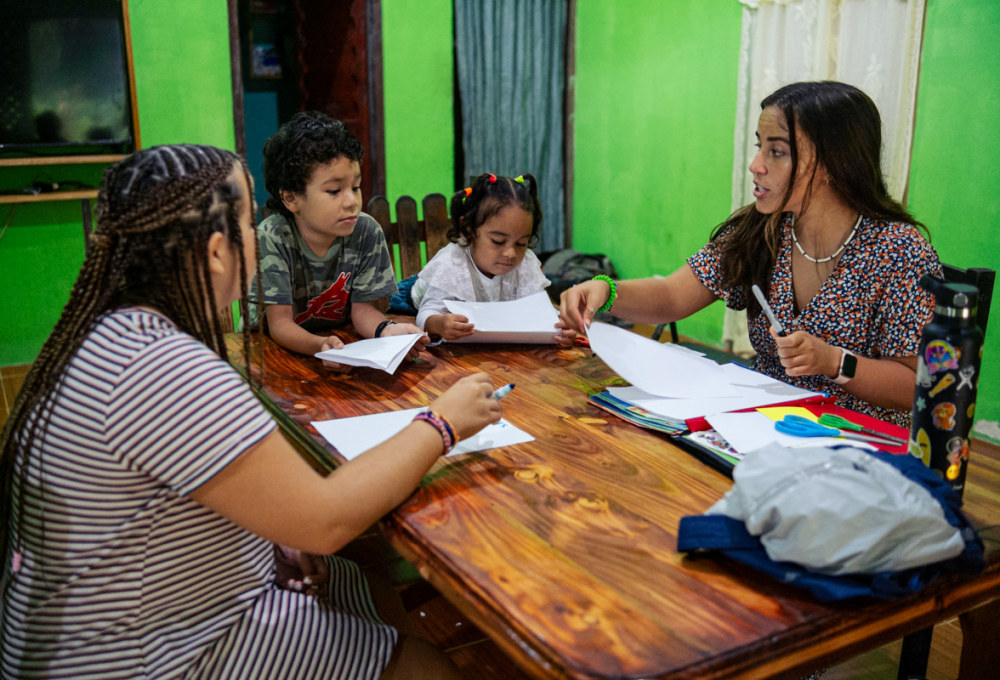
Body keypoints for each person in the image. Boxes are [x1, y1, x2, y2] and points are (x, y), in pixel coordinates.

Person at [0, 144, 501, 679]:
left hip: (118, 615)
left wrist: (273, 540)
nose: (256, 238)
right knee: (426, 665)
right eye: (246, 224)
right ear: (218, 250)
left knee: (363, 581)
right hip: (146, 653)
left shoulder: (115, 332)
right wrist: (441, 423)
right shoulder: (163, 366)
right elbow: (326, 519)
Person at [559, 81, 942, 427]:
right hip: (759, 425)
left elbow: (918, 385)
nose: (756, 165)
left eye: (777, 151)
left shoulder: (899, 250)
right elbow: (674, 295)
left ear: (830, 164)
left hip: (854, 442)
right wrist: (605, 290)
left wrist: (833, 362)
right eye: (760, 147)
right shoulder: (763, 228)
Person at [250, 110, 426, 356]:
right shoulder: (273, 237)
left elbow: (362, 311)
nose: (352, 201)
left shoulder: (366, 232)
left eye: (355, 187)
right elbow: (280, 325)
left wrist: (388, 330)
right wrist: (319, 346)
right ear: (291, 197)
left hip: (338, 344)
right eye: (334, 190)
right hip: (270, 349)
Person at [399, 172, 558, 342]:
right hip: (413, 299)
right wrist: (439, 323)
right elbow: (426, 313)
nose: (511, 253)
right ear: (467, 231)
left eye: (521, 243)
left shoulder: (525, 264)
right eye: (498, 241)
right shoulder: (450, 264)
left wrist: (560, 328)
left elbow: (539, 310)